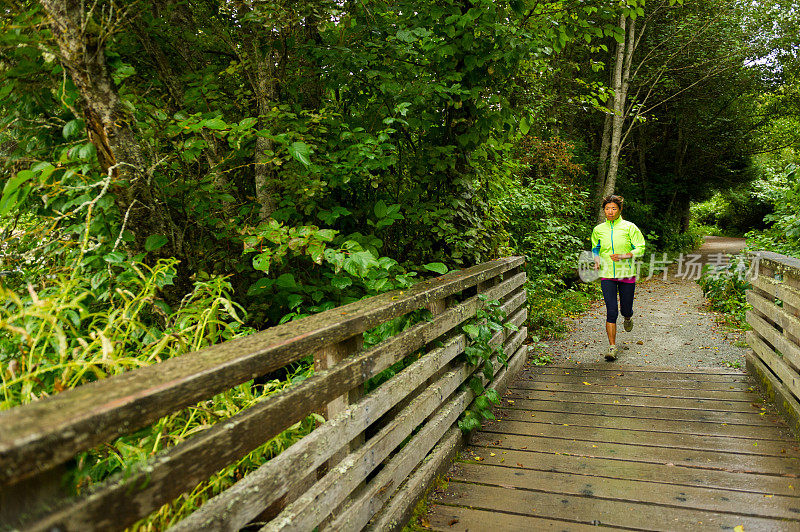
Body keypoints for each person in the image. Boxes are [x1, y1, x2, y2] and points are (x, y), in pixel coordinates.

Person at [591, 194, 646, 361]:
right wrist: (597, 259)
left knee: (625, 309)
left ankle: (628, 316)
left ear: (619, 210)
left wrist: (625, 255)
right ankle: (612, 347)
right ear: (604, 210)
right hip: (607, 275)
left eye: (613, 208)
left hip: (626, 274)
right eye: (607, 208)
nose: (610, 211)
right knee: (611, 311)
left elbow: (641, 248)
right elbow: (595, 247)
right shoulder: (599, 229)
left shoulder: (630, 227)